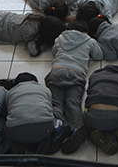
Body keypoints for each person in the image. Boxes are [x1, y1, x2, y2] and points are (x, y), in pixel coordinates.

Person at [45, 21, 105, 154]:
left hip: (57, 71)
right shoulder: (89, 40)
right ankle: (77, 128)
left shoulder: (61, 37)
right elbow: (99, 55)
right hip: (76, 73)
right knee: (73, 102)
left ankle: (57, 125)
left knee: (55, 102)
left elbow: (54, 51)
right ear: (85, 32)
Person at [82, 65, 118, 157]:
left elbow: (89, 91)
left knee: (86, 113)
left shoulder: (94, 76)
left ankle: (93, 134)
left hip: (93, 117)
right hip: (115, 118)